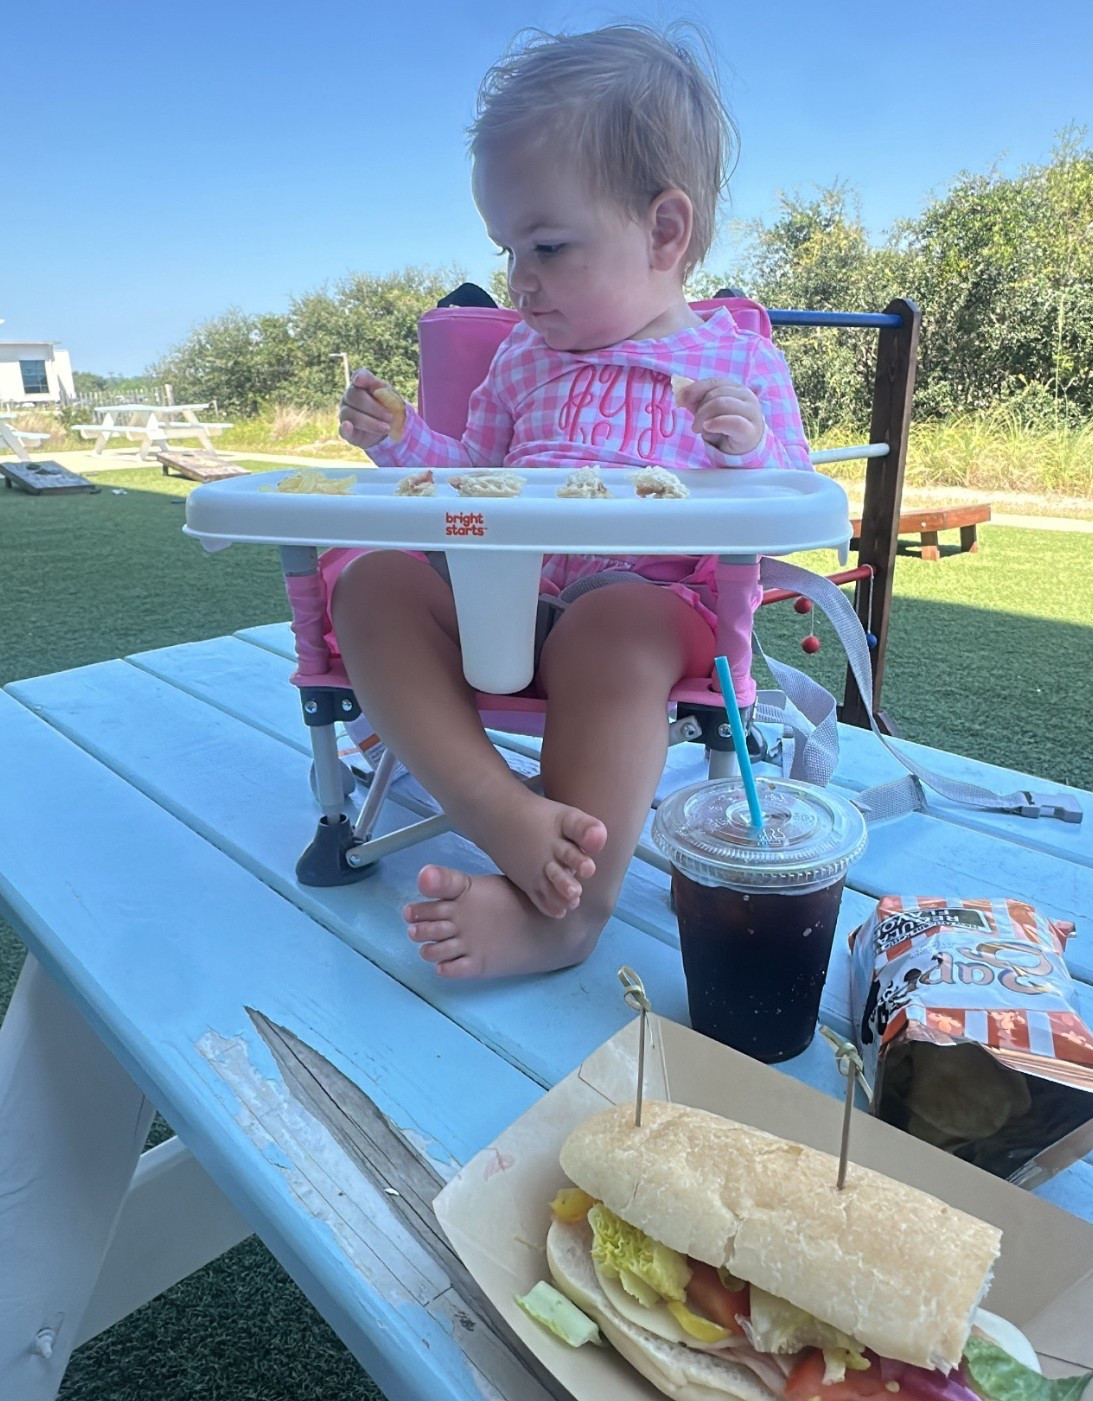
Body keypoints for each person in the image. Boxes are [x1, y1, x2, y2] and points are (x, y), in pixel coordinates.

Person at [334, 24, 811, 981]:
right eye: (508, 248)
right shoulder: (519, 354)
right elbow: (471, 475)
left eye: (548, 246)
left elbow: (789, 501)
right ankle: (498, 810)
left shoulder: (735, 358)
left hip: (648, 608)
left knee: (612, 627)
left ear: (663, 233)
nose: (519, 280)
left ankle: (565, 919)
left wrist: (747, 447)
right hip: (505, 599)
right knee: (372, 584)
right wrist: (397, 440)